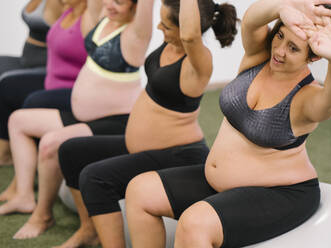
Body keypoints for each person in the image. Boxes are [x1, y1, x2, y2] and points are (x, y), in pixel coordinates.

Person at [124, 0, 331, 247]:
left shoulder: (306, 97)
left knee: (194, 223)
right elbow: (252, 21)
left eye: (293, 48)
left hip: (282, 193)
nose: (280, 51)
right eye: (280, 36)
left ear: (314, 56)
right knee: (140, 191)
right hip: (224, 185)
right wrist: (282, 8)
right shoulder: (259, 58)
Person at [57, 0, 238, 247]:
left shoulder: (199, 62)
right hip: (143, 148)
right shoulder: (169, 43)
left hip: (177, 154)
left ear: (185, 28)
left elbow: (191, 35)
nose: (159, 27)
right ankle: (89, 230)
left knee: (95, 178)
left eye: (167, 25)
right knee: (70, 151)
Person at [6, 0, 155, 244]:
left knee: (50, 144)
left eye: (119, 2)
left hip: (117, 121)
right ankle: (23, 194)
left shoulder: (135, 36)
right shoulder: (104, 18)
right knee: (19, 121)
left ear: (135, 7)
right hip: (84, 115)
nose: (111, 4)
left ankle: (46, 216)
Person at [0, 0, 92, 201]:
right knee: (9, 84)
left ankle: (21, 187)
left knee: (32, 101)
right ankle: (17, 180)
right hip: (52, 82)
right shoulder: (67, 13)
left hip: (72, 89)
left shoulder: (89, 19)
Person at [0, 0, 64, 165]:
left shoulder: (65, 3)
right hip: (26, 59)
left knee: (6, 83)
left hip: (45, 65)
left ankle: (4, 151)